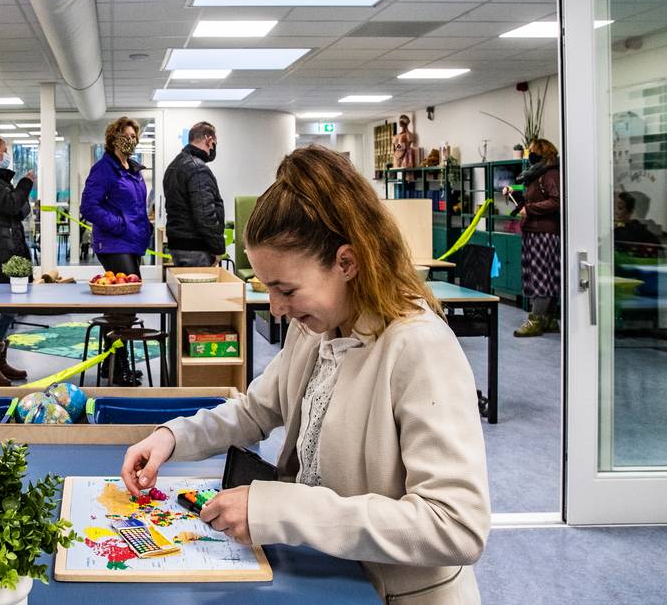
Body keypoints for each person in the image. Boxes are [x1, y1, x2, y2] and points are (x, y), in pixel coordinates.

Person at [120, 145, 489, 605]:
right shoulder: (314, 329)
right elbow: (256, 410)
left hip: (392, 594)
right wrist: (172, 438)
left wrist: (281, 509)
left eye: (287, 289)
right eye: (267, 288)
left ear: (347, 263)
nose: (275, 308)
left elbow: (456, 524)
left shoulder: (420, 347)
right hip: (327, 577)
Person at [81, 116, 153, 386]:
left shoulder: (132, 169)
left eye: (134, 136)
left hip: (132, 241)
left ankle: (110, 364)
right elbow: (89, 207)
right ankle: (119, 368)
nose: (131, 140)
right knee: (124, 309)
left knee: (121, 308)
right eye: (126, 136)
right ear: (113, 139)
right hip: (113, 243)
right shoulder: (104, 169)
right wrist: (119, 224)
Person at [0, 135, 36, 385]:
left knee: (10, 307)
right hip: (0, 251)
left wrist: (19, 196)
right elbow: (13, 205)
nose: (7, 155)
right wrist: (25, 183)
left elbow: (21, 210)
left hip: (11, 247)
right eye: (4, 150)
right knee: (7, 306)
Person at [511, 138, 561, 336]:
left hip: (544, 233)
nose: (529, 154)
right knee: (538, 276)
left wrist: (529, 209)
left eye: (532, 150)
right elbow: (535, 199)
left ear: (541, 152)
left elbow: (556, 201)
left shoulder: (550, 174)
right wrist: (520, 203)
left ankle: (535, 320)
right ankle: (547, 319)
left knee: (541, 277)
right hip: (533, 230)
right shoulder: (536, 175)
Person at [164, 121, 225, 267]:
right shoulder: (198, 168)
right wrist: (217, 248)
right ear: (209, 140)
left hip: (178, 244)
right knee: (199, 283)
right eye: (214, 143)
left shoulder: (173, 166)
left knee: (185, 283)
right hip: (196, 247)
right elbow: (205, 215)